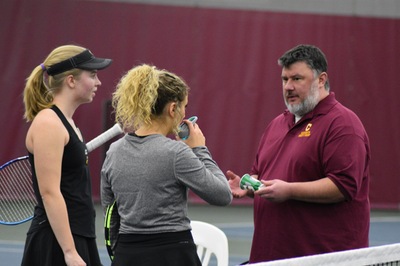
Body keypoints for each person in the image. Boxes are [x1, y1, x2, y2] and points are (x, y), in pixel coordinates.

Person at [227, 44, 371, 263]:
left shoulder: (343, 124)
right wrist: (250, 186)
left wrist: (289, 190)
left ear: (321, 80)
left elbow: (343, 186)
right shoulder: (277, 123)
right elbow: (261, 174)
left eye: (297, 79)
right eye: (285, 80)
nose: (288, 87)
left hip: (322, 259)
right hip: (269, 258)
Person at [100, 64, 232, 266]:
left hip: (127, 253)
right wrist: (199, 149)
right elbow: (222, 194)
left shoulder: (114, 151)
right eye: (184, 107)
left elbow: (110, 211)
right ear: (172, 109)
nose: (184, 113)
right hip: (172, 254)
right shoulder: (176, 153)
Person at [21, 45, 112, 266]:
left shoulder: (67, 124)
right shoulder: (48, 123)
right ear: (71, 80)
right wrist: (70, 252)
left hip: (76, 237)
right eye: (92, 75)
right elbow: (50, 193)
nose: (98, 83)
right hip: (57, 243)